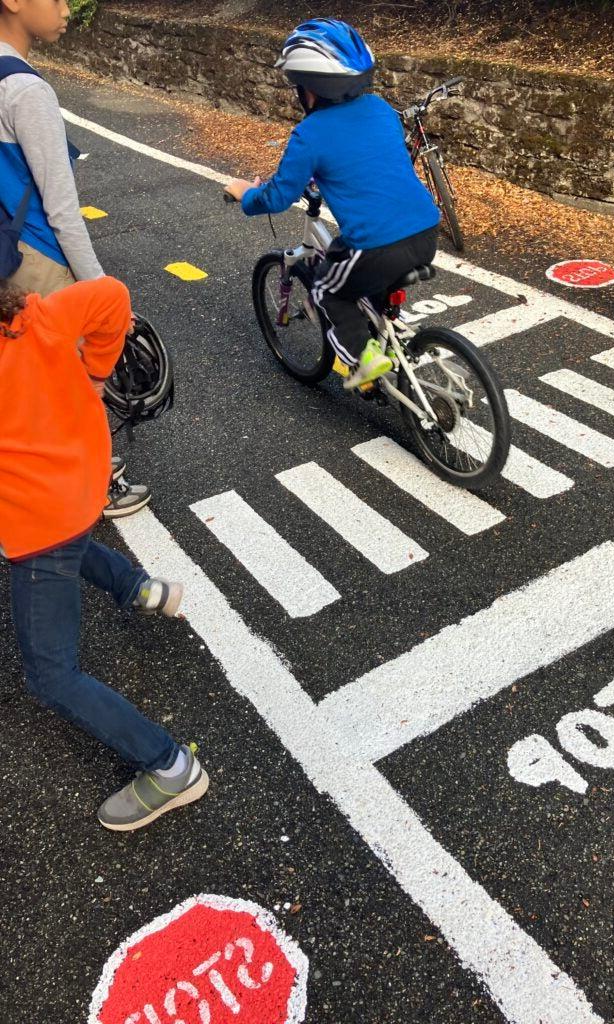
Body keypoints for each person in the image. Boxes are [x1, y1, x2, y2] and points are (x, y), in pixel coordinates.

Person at [0, 274, 208, 831]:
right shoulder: (36, 317)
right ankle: (139, 588)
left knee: (50, 676)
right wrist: (95, 373)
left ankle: (170, 766)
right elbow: (113, 295)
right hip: (84, 480)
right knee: (72, 542)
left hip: (37, 521)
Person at [225, 18, 440, 390]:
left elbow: (278, 195)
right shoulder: (382, 109)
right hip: (425, 231)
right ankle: (389, 337)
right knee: (363, 277)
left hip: (377, 247)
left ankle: (367, 361)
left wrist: (245, 193)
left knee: (327, 289)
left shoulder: (310, 134)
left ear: (310, 88)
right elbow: (371, 162)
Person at [0, 0, 149, 513]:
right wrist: (101, 293)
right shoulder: (24, 89)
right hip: (37, 257)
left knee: (18, 380)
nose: (66, 8)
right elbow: (62, 209)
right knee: (69, 381)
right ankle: (88, 487)